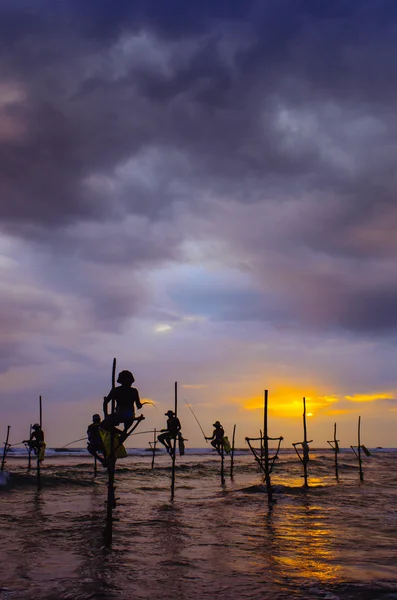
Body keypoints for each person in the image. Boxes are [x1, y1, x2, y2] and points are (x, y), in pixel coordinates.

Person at [102, 370, 143, 440]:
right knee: (128, 421)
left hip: (120, 415)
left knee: (104, 424)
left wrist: (106, 415)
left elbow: (105, 402)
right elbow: (138, 405)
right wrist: (141, 405)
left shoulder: (116, 390)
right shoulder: (134, 391)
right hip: (129, 416)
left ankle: (122, 433)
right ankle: (123, 433)